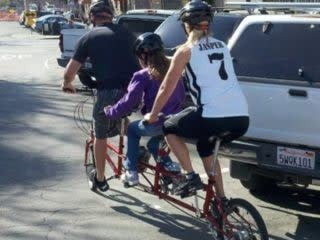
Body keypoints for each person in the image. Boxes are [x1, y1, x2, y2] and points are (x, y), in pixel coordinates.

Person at [144, 0, 249, 200]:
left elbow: (166, 87)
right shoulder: (223, 46)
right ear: (208, 24)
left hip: (212, 115)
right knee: (205, 146)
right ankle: (222, 202)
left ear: (186, 25)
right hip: (241, 118)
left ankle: (190, 176)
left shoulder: (185, 51)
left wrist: (153, 114)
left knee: (169, 127)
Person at [61, 0, 139, 192]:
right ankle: (139, 150)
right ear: (111, 16)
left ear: (93, 18)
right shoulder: (128, 34)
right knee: (123, 116)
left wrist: (67, 84)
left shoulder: (89, 37)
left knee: (101, 132)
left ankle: (101, 178)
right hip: (136, 90)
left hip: (109, 90)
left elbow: (70, 72)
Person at [104, 32, 185, 186]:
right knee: (153, 144)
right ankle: (169, 168)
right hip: (176, 122)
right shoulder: (174, 71)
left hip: (158, 121)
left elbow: (128, 101)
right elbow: (181, 96)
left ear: (143, 56)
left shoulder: (143, 75)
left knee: (133, 130)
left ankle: (131, 172)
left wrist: (111, 111)